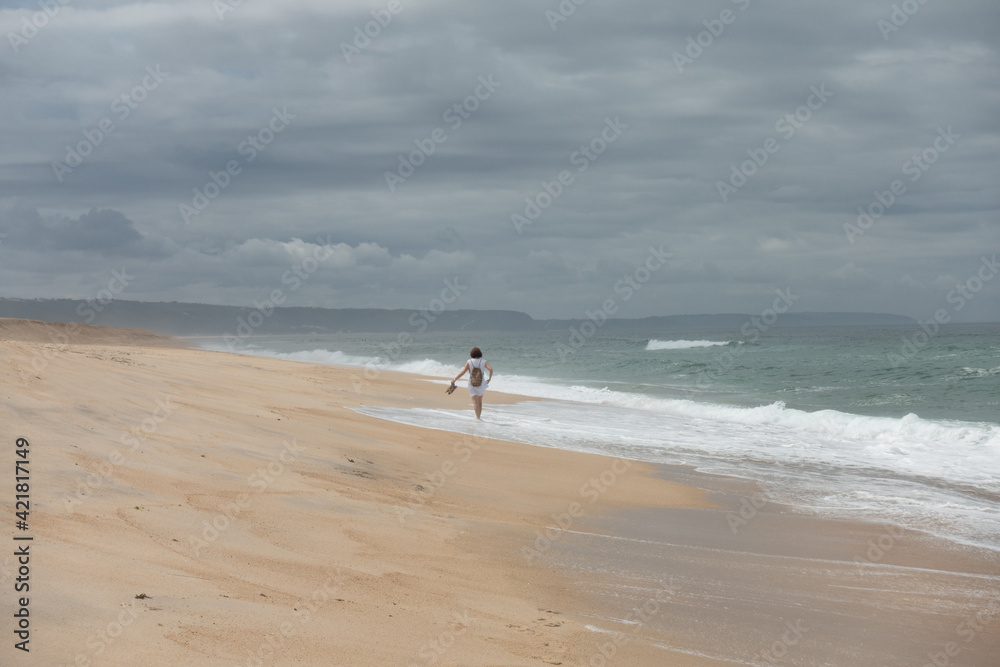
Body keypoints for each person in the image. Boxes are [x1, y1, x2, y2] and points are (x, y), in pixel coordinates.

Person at [451, 347, 493, 420]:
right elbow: (491, 369)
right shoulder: (484, 361)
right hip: (481, 384)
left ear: (472, 354)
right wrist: (489, 378)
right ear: (480, 353)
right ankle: (479, 417)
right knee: (480, 401)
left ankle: (477, 418)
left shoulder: (469, 361)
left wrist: (455, 379)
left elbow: (463, 372)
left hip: (471, 383)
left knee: (475, 402)